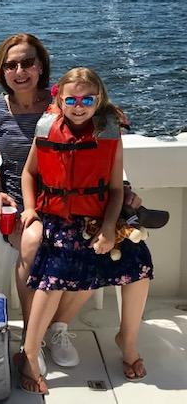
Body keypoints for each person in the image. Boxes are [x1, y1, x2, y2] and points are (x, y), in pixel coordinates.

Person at [17, 67, 152, 394]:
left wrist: (108, 229)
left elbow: (116, 190)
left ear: (98, 100)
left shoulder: (109, 133)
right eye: (72, 100)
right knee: (57, 271)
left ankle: (127, 340)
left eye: (87, 100)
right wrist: (31, 209)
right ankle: (30, 352)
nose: (79, 106)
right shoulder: (47, 128)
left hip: (99, 216)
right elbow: (29, 173)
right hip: (59, 218)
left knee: (140, 264)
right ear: (60, 101)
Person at [0, 33, 89, 371]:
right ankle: (32, 337)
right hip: (16, 204)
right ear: (2, 71)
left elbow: (95, 138)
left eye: (27, 63)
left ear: (41, 67)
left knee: (98, 245)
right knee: (33, 243)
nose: (20, 71)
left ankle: (58, 328)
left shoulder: (62, 105)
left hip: (66, 200)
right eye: (11, 65)